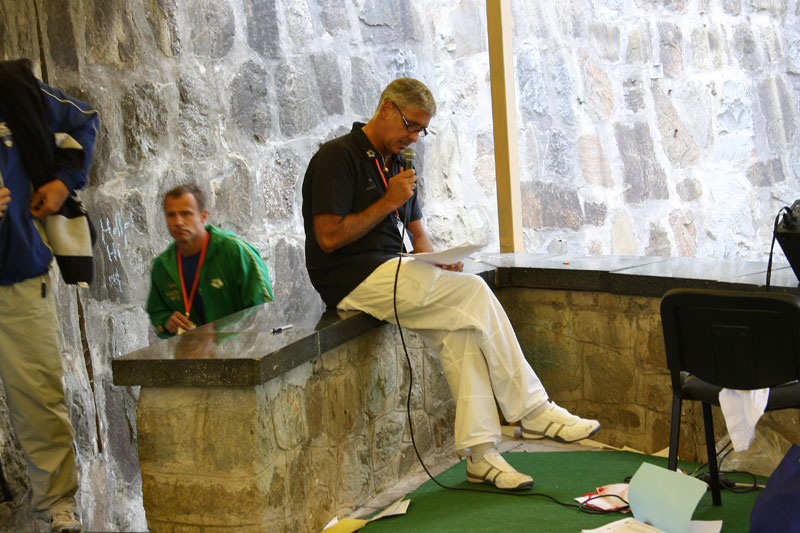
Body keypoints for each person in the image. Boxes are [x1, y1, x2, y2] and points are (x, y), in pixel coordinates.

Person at [302, 78, 600, 490]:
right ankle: (533, 409)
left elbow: (418, 235)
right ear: (386, 109)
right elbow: (328, 237)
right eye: (410, 125)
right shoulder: (337, 156)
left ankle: (480, 456)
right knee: (475, 292)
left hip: (397, 269)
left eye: (421, 131)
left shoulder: (399, 164)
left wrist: (439, 262)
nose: (414, 137)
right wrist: (387, 201)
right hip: (350, 278)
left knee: (460, 330)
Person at [0, 59, 98, 533]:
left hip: (20, 277)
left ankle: (60, 507)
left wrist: (62, 182)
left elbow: (83, 121)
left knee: (39, 398)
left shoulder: (16, 90)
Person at [146, 184, 274, 338]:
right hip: (192, 350)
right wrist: (167, 321)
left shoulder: (235, 251)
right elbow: (157, 312)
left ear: (203, 216)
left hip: (241, 348)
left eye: (186, 213)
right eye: (171, 215)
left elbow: (263, 310)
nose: (178, 222)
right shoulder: (162, 266)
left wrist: (218, 335)